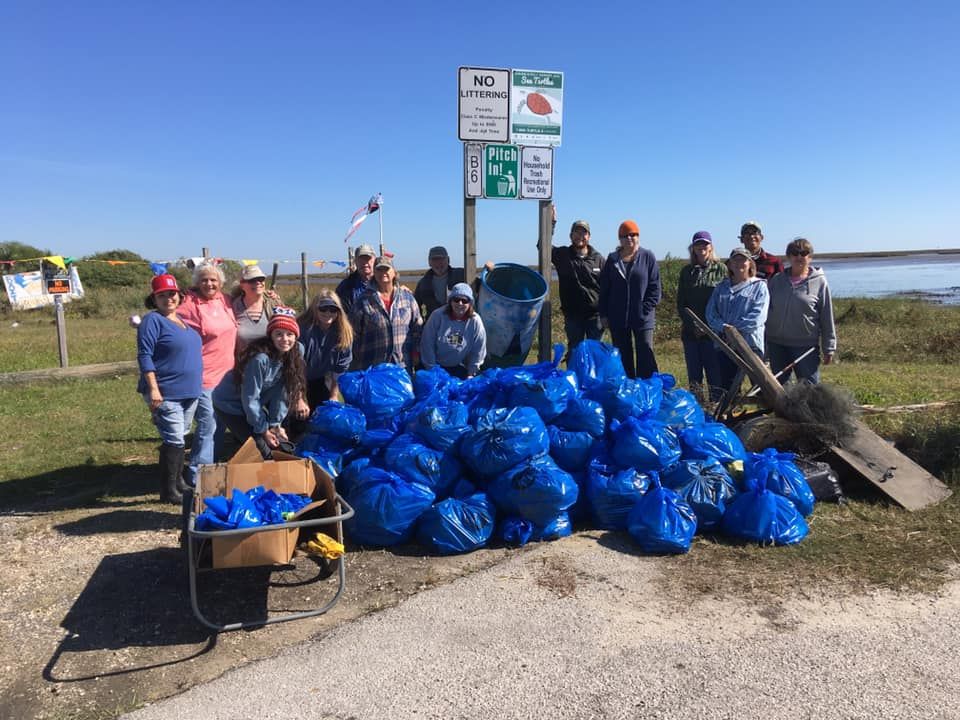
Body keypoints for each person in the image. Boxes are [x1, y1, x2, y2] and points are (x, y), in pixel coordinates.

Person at [136, 274, 202, 503]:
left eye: (172, 294)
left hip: (189, 391)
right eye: (162, 295)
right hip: (166, 391)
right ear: (154, 299)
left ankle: (178, 482)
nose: (168, 299)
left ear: (179, 295)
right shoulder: (152, 321)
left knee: (179, 437)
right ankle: (168, 490)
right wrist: (154, 388)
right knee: (174, 438)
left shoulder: (183, 322)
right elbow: (145, 355)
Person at [212, 307, 307, 460]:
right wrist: (263, 430)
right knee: (260, 447)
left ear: (296, 336)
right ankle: (254, 476)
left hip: (250, 402)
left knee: (276, 443)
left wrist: (275, 425)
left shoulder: (296, 352)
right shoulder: (260, 359)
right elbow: (250, 398)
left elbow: (282, 390)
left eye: (290, 334)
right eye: (279, 334)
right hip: (230, 403)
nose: (285, 339)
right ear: (271, 336)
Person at [177, 261, 238, 480]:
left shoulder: (226, 300)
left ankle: (212, 467)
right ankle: (196, 476)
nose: (209, 284)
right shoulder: (189, 304)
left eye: (213, 280)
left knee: (220, 424)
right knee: (208, 425)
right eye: (204, 280)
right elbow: (172, 322)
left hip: (229, 374)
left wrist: (270, 295)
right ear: (197, 283)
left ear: (220, 283)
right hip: (205, 375)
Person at [765, 237, 837, 384]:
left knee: (809, 390)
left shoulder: (820, 282)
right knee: (779, 389)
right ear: (788, 256)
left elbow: (826, 315)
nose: (799, 257)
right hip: (777, 344)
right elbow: (766, 311)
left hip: (805, 346)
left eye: (803, 253)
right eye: (794, 253)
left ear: (809, 257)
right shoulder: (777, 280)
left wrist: (829, 347)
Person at [598, 219, 662, 379]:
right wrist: (604, 314)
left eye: (633, 234)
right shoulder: (612, 260)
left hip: (643, 319)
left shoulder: (648, 257)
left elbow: (655, 288)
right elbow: (604, 290)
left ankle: (646, 392)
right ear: (620, 239)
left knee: (645, 357)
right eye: (625, 235)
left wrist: (644, 309)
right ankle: (627, 393)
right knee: (622, 357)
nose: (630, 238)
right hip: (617, 318)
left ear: (638, 236)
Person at [706, 247, 770, 392]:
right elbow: (710, 314)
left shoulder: (759, 286)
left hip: (750, 345)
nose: (739, 263)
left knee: (760, 387)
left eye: (743, 260)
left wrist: (733, 331)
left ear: (750, 264)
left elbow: (757, 317)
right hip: (725, 346)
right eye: (736, 259)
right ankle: (730, 413)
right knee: (728, 389)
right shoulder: (721, 287)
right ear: (730, 264)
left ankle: (764, 414)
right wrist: (724, 329)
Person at [676, 231, 727, 401]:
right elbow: (680, 303)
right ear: (693, 248)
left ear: (711, 247)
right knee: (694, 375)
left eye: (705, 244)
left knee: (715, 374)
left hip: (713, 333)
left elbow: (726, 301)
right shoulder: (687, 271)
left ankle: (717, 407)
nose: (702, 247)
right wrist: (693, 326)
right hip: (691, 333)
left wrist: (710, 327)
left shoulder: (721, 269)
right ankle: (697, 408)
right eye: (698, 244)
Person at [351, 256, 423, 373]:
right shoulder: (363, 300)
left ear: (394, 273)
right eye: (379, 270)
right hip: (373, 367)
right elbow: (353, 334)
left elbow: (417, 328)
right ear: (374, 273)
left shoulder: (407, 298)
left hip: (402, 366)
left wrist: (416, 352)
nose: (383, 273)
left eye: (386, 269)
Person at [552, 219, 605, 352]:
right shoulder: (562, 255)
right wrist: (551, 224)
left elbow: (608, 288)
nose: (580, 236)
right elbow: (542, 246)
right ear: (571, 236)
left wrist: (607, 314)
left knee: (595, 353)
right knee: (575, 352)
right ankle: (573, 373)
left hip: (595, 317)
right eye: (577, 232)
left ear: (589, 236)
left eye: (584, 233)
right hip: (573, 317)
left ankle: (592, 374)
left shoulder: (598, 259)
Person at [297, 289, 354, 408]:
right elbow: (296, 367)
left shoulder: (343, 333)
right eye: (323, 309)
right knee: (298, 418)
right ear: (315, 309)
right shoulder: (302, 330)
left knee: (324, 414)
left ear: (338, 311)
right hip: (295, 380)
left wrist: (333, 395)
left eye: (333, 309)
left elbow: (340, 369)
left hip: (320, 379)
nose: (328, 313)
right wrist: (300, 399)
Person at [419, 282, 487, 378]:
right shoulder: (437, 316)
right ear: (450, 301)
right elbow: (427, 344)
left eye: (464, 301)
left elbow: (479, 349)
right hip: (436, 366)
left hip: (458, 366)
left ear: (470, 303)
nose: (460, 303)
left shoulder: (475, 321)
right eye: (456, 299)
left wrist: (471, 373)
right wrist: (432, 370)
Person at [231, 264, 276, 354]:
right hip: (243, 364)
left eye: (261, 279)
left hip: (271, 363)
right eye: (252, 280)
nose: (258, 282)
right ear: (242, 284)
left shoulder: (273, 303)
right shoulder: (232, 307)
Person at [414, 245, 466, 318]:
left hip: (459, 322)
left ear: (448, 259)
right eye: (435, 259)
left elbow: (481, 287)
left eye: (442, 259)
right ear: (429, 262)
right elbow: (415, 307)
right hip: (435, 324)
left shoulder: (461, 274)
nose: (438, 262)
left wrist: (488, 270)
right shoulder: (423, 283)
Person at [336, 244, 376, 315]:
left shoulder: (384, 282)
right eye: (361, 259)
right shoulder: (345, 286)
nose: (365, 263)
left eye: (368, 259)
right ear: (355, 261)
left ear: (374, 260)